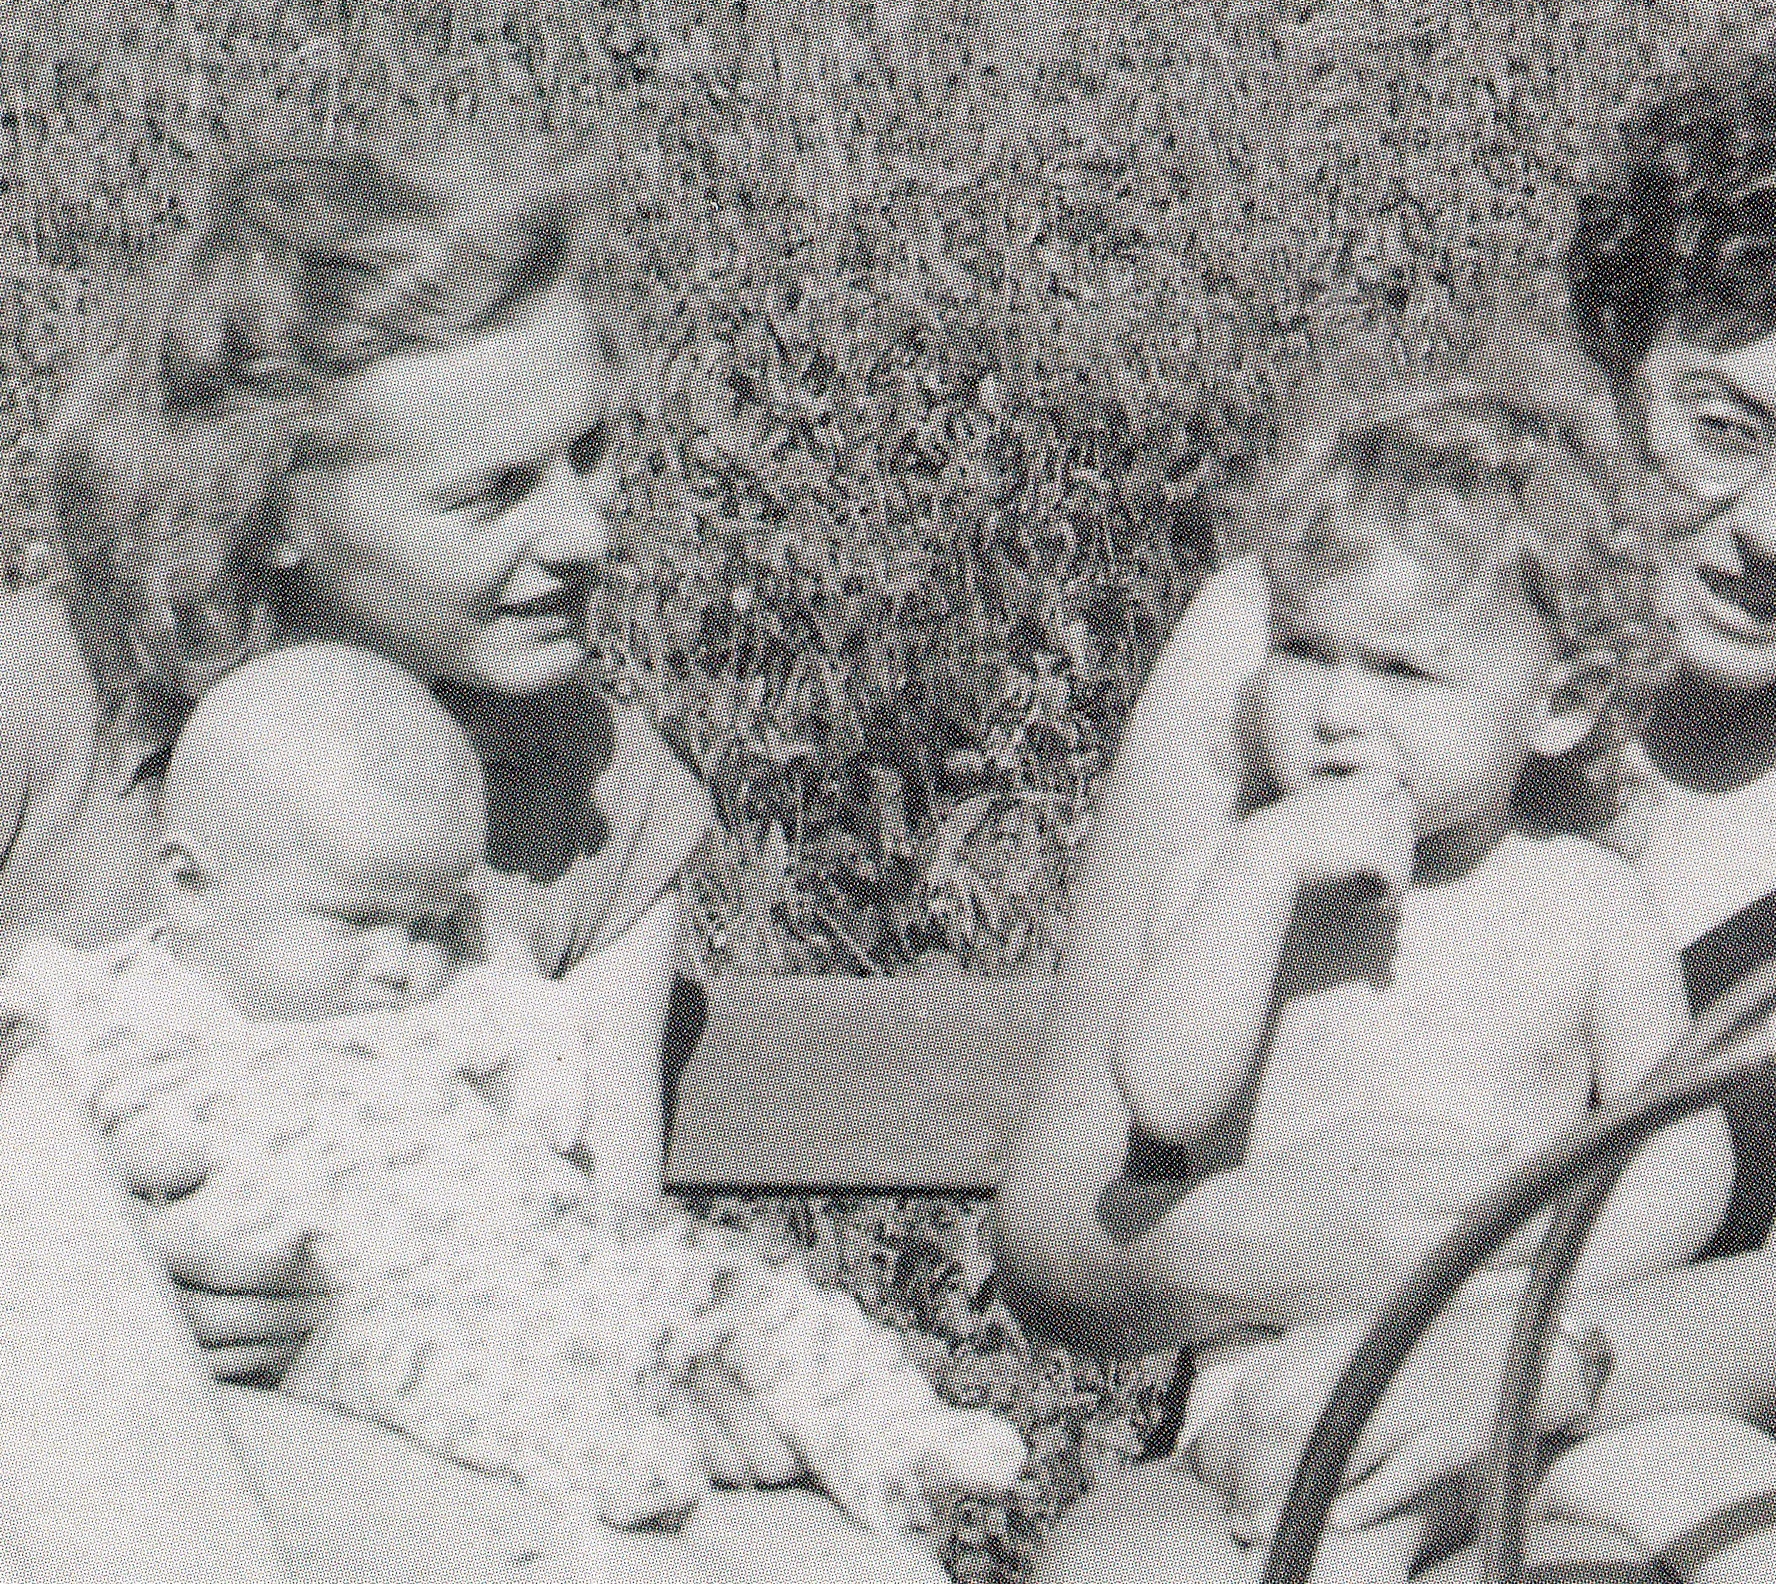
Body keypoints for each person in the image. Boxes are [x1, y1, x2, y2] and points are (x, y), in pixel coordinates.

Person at [1001, 51, 1776, 1583]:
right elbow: (1053, 1232)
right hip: (1290, 1432)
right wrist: (1273, 1245)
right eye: (1719, 426)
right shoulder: (1309, 650)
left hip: (1693, 1474)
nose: (1774, 529)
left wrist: (1520, 1357)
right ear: (1614, 369)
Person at [0, 136, 946, 1584]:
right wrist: (88, 1258)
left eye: (590, 453)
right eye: (493, 491)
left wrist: (680, 1358)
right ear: (275, 507)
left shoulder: (596, 798)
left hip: (401, 1451)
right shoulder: (44, 705)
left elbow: (588, 1236)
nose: (584, 530)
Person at [10, 641, 1029, 1538]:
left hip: (526, 1259)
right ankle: (598, 1457)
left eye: (431, 921)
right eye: (357, 922)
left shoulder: (470, 994)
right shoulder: (105, 1009)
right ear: (189, 887)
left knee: (735, 1283)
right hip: (352, 1308)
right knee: (436, 1365)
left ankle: (892, 1431)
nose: (401, 964)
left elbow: (574, 1144)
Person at [1108, 360, 1734, 1581]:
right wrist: (1262, 865)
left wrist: (1529, 1310)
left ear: (1559, 703)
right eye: (1305, 650)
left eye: (1402, 670)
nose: (1339, 709)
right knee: (1338, 1542)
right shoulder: (1226, 879)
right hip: (1294, 1369)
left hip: (1524, 1356)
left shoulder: (1587, 896)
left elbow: (1682, 1159)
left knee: (1756, 1508)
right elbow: (1168, 1097)